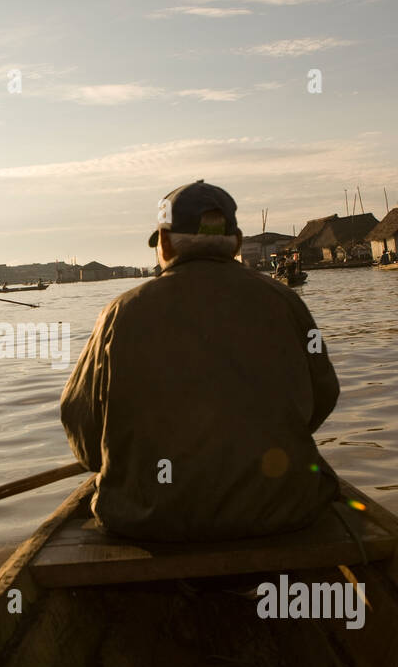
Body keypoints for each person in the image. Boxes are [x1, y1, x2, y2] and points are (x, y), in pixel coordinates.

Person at [59, 180, 340, 541]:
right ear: (236, 243)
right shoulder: (288, 303)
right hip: (284, 510)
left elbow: (79, 418)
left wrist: (112, 469)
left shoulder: (120, 313)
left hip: (147, 520)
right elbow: (324, 395)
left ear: (164, 242)